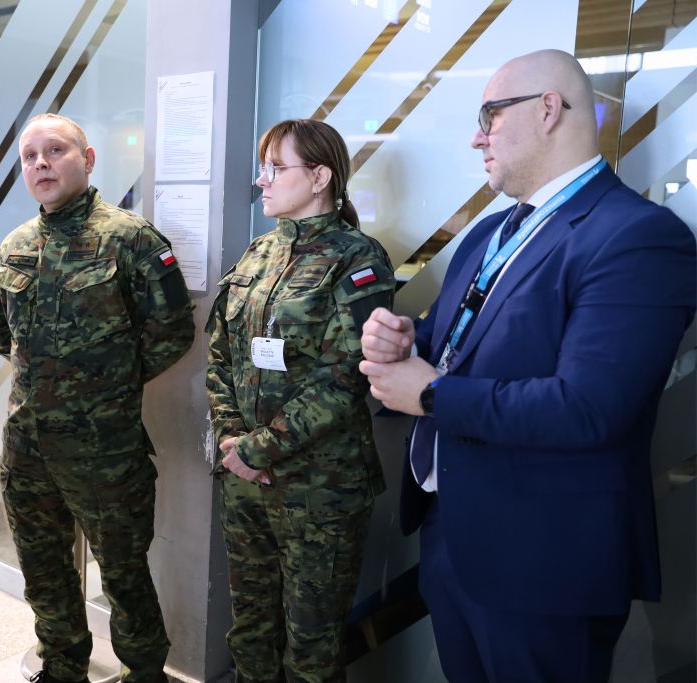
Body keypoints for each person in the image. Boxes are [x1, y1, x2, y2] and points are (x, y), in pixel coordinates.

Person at [359, 49, 697, 683]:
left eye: (489, 114)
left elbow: (589, 408)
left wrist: (430, 394)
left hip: (546, 560)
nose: (476, 137)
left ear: (548, 110)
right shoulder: (490, 233)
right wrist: (400, 344)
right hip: (453, 534)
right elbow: (448, 342)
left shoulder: (637, 237)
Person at [0, 113, 195, 683]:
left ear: (88, 159)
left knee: (122, 573)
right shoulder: (15, 244)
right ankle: (62, 665)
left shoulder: (131, 238)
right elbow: (0, 333)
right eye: (30, 156)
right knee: (43, 568)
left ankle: (144, 673)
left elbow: (172, 331)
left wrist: (106, 386)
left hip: (105, 448)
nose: (41, 164)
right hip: (27, 444)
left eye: (55, 150)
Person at [206, 118, 395, 682]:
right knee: (250, 631)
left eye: (275, 168)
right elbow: (220, 355)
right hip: (246, 481)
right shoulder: (259, 253)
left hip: (320, 489)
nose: (261, 181)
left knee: (312, 648)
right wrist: (232, 438)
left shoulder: (358, 258)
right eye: (262, 169)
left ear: (320, 177)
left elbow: (347, 377)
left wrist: (257, 450)